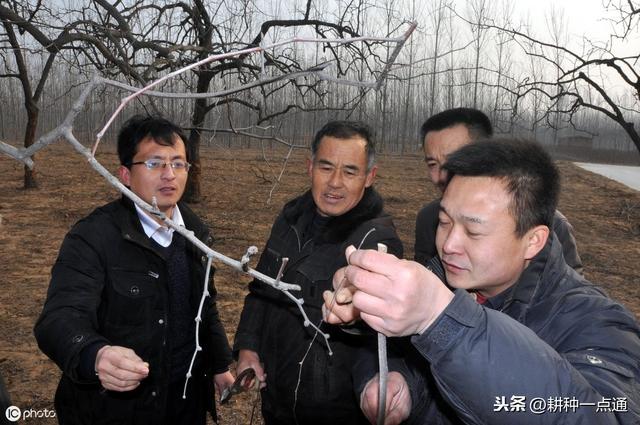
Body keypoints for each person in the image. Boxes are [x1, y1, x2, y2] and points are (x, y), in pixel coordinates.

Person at [324, 139, 640, 424]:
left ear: (533, 240)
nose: (448, 245)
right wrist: (398, 382)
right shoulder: (442, 280)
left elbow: (599, 416)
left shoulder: (603, 325)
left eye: (474, 231)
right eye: (444, 222)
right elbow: (401, 355)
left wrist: (443, 320)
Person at [34, 115, 234, 425]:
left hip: (185, 402)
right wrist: (96, 355)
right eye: (154, 164)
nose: (169, 175)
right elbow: (59, 319)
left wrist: (220, 365)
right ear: (125, 175)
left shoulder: (196, 234)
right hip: (114, 410)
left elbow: (205, 308)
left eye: (178, 164)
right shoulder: (93, 237)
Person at [233, 120, 403, 424]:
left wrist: (355, 309)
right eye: (326, 168)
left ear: (369, 177)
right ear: (310, 167)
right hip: (277, 396)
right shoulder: (289, 219)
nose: (335, 182)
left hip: (333, 410)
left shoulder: (376, 241)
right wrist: (248, 347)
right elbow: (261, 291)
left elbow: (374, 329)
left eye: (350, 171)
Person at [415, 107, 583, 273]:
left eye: (456, 160)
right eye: (432, 164)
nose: (442, 176)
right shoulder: (428, 218)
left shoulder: (551, 225)